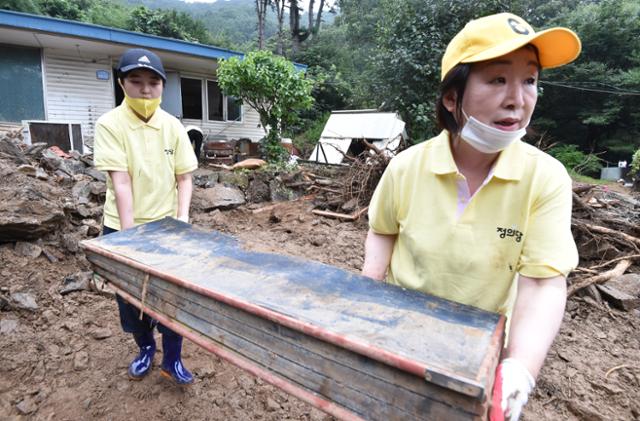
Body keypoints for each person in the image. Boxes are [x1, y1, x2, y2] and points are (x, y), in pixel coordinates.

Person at [362, 13, 581, 421]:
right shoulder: (407, 167)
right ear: (452, 98)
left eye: (529, 80)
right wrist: (366, 305)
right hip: (400, 329)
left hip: (480, 349)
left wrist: (519, 367)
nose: (518, 98)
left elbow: (543, 283)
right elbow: (382, 232)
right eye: (498, 80)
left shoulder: (545, 178)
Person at [94, 48, 198, 385]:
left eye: (153, 82)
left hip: (167, 229)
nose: (145, 89)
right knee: (129, 298)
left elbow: (184, 178)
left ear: (162, 86)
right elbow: (120, 182)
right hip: (122, 226)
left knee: (172, 297)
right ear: (122, 83)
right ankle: (145, 349)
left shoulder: (173, 127)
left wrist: (181, 219)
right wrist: (128, 240)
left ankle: (172, 359)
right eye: (135, 81)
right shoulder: (109, 124)